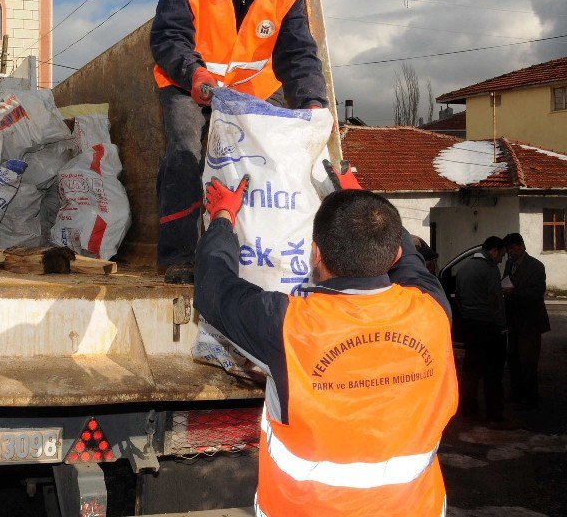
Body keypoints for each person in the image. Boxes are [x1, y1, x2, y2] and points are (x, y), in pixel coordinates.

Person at [194, 164, 457, 515]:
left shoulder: (288, 326)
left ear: (315, 253)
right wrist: (364, 201)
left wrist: (223, 216)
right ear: (393, 254)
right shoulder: (433, 310)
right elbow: (408, 259)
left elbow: (214, 287)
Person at [150, 0, 328, 284]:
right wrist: (194, 75)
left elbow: (298, 53)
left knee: (270, 159)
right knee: (185, 151)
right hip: (189, 83)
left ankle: (259, 253)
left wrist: (313, 102)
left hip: (254, 89)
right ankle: (179, 255)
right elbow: (168, 37)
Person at [456, 236, 508, 427]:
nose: (502, 259)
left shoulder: (464, 268)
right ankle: (494, 415)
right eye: (501, 254)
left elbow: (459, 298)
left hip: (470, 325)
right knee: (492, 373)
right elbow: (496, 299)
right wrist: (502, 326)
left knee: (470, 371)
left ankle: (469, 411)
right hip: (489, 326)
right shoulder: (490, 269)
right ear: (494, 250)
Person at [503, 232, 550, 410]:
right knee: (513, 359)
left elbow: (537, 292)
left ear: (521, 246)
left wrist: (514, 293)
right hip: (514, 321)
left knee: (529, 362)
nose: (510, 252)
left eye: (513, 248)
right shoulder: (509, 263)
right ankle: (516, 394)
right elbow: (507, 281)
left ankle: (531, 399)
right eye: (508, 249)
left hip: (530, 322)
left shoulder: (536, 266)